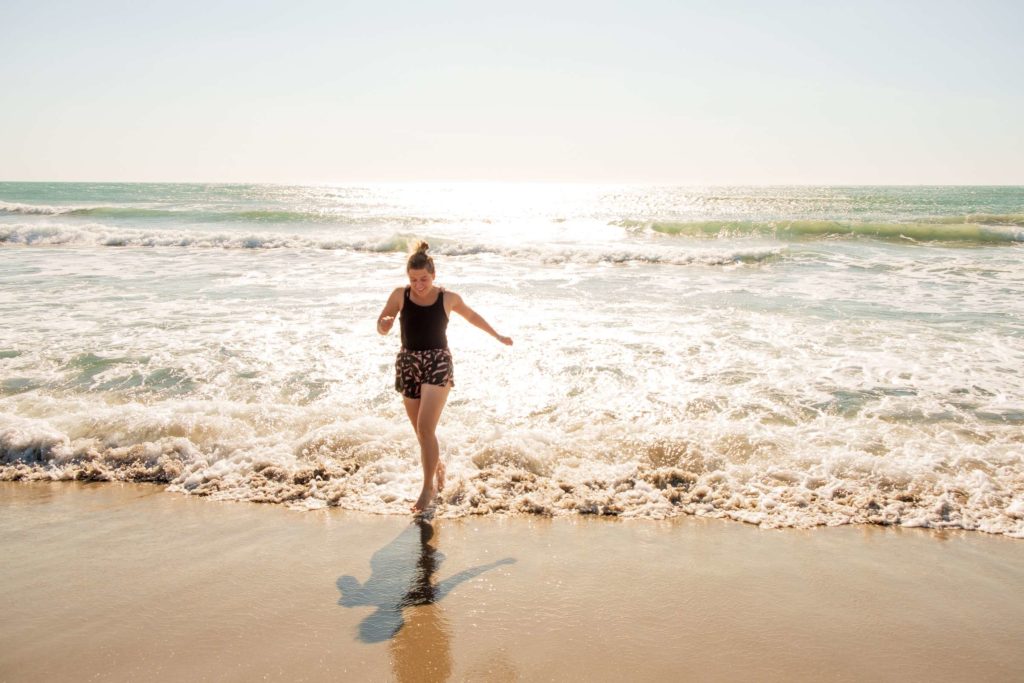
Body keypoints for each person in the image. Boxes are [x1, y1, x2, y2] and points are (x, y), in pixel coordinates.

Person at [377, 241, 513, 513]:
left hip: (438, 361)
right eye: (413, 279)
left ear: (434, 275)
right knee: (421, 431)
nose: (418, 285)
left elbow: (472, 316)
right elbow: (382, 325)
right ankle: (437, 468)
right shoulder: (399, 295)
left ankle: (427, 489)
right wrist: (384, 324)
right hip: (408, 363)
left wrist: (497, 335)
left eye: (424, 279)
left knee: (426, 428)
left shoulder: (447, 298)